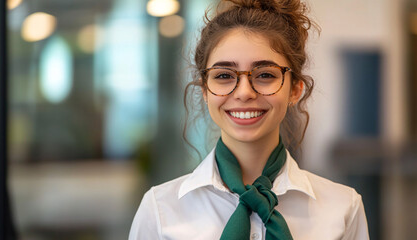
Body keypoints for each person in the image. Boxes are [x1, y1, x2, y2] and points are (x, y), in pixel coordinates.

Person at [129, 0, 370, 239]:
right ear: (204, 90)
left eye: (265, 74)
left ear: (295, 89)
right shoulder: (160, 211)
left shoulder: (343, 209)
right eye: (223, 75)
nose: (244, 92)